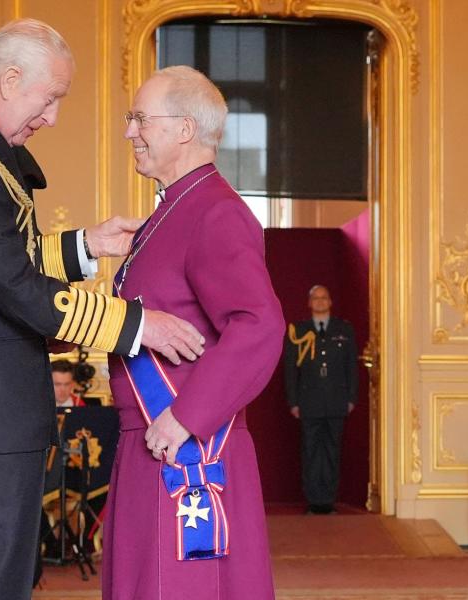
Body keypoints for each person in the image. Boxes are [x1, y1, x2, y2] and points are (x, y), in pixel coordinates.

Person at [0, 19, 205, 600]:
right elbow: (11, 282)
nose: (52, 117)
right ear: (10, 80)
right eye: (51, 97)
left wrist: (87, 245)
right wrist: (136, 326)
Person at [101, 66, 284, 599]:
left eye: (140, 119)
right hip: (151, 441)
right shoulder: (173, 211)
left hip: (186, 452)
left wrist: (187, 415)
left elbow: (259, 324)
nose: (129, 131)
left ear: (184, 129)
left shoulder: (215, 212)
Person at [284, 284, 358, 515]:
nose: (320, 301)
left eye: (324, 297)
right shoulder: (298, 331)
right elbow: (289, 370)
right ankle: (314, 501)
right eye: (315, 298)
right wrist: (293, 401)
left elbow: (351, 367)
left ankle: (328, 501)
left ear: (330, 301)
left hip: (336, 400)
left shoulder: (343, 329)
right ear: (309, 302)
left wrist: (351, 397)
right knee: (311, 451)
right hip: (309, 401)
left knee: (332, 451)